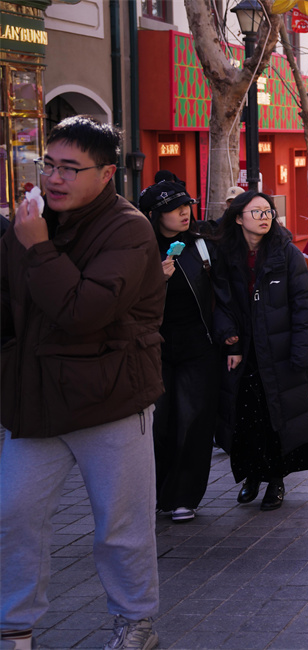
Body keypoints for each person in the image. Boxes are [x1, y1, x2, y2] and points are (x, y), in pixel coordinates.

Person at [0, 116, 164, 650]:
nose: (55, 178)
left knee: (120, 525)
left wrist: (37, 248)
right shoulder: (30, 221)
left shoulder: (129, 227)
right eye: (49, 165)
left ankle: (135, 621)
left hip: (112, 396)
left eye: (71, 168)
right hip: (37, 399)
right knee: (12, 514)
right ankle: (14, 627)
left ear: (106, 173)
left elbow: (82, 311)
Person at [213, 191, 308, 512]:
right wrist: (229, 340)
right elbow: (220, 302)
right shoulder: (227, 253)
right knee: (246, 417)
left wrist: (302, 350)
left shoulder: (286, 253)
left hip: (280, 349)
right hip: (244, 349)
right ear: (238, 218)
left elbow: (304, 305)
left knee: (277, 416)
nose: (265, 218)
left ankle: (276, 480)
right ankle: (251, 476)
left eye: (268, 212)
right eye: (257, 212)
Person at [137, 180, 220, 523]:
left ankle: (185, 495)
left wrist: (228, 337)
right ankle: (156, 494)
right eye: (174, 208)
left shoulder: (201, 245)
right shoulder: (139, 250)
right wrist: (156, 279)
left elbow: (221, 295)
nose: (184, 212)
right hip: (153, 348)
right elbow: (123, 300)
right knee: (157, 425)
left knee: (192, 420)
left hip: (198, 346)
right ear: (155, 215)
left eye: (186, 205)